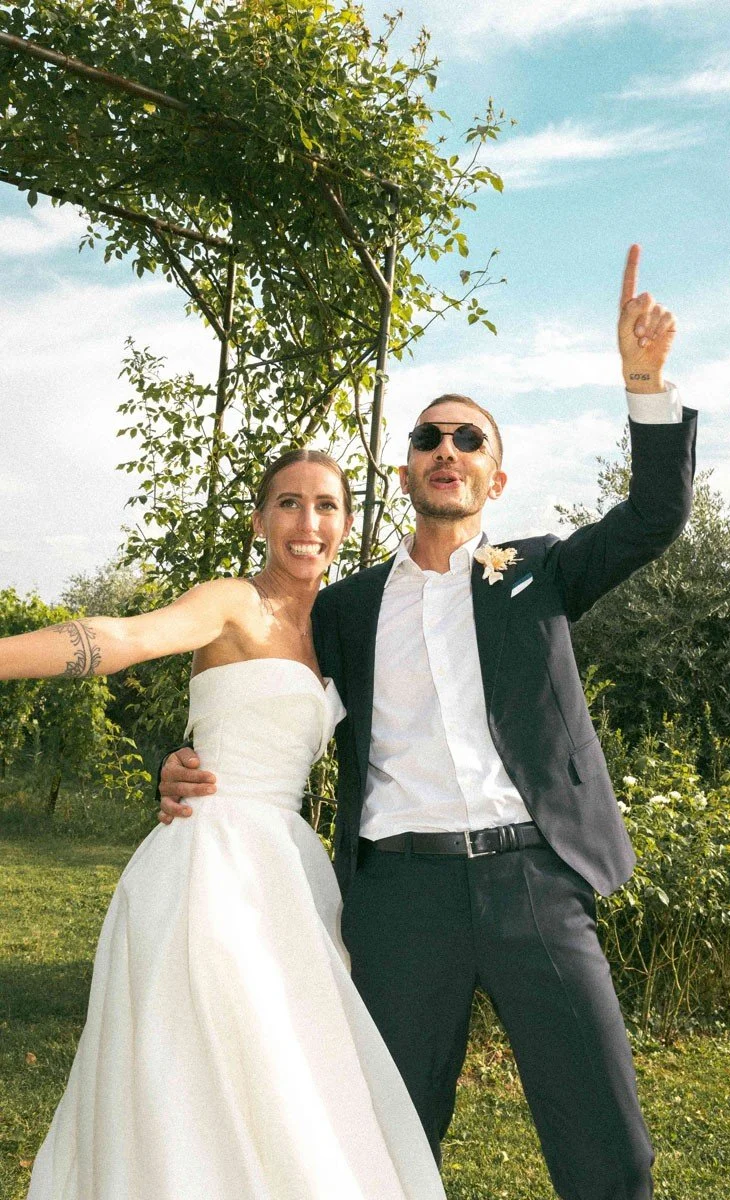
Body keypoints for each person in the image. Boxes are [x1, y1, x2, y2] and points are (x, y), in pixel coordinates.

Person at [161, 245, 697, 1200]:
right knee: (382, 1147)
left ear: (494, 477)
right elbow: (271, 698)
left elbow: (655, 515)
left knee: (609, 1150)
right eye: (427, 437)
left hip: (536, 880)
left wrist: (644, 385)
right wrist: (192, 766)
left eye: (468, 439)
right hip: (400, 899)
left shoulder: (542, 573)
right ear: (404, 470)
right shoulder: (346, 608)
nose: (446, 449)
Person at [2, 449, 446, 1200]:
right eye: (289, 504)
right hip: (206, 864)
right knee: (195, 1066)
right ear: (259, 520)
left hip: (289, 873)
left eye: (327, 506)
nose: (309, 523)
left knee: (291, 1073)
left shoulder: (338, 627)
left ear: (347, 522)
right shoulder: (230, 601)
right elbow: (129, 639)